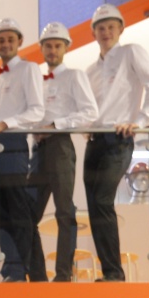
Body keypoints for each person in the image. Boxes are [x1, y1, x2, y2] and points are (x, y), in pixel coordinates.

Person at [82, 4, 149, 283]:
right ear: (93, 33)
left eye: (111, 27)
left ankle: (115, 274)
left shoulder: (131, 52)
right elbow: (89, 107)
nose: (106, 32)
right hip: (94, 141)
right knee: (94, 206)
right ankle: (110, 272)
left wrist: (140, 120)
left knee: (102, 200)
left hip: (119, 139)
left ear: (121, 29)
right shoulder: (90, 70)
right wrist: (86, 127)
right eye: (100, 28)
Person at [26, 21, 99, 283]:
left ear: (66, 48)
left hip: (60, 146)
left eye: (57, 45)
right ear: (41, 49)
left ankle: (63, 275)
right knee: (27, 216)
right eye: (48, 46)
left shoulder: (74, 75)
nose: (53, 50)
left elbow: (90, 112)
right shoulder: (36, 79)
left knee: (64, 211)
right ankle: (37, 276)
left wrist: (56, 125)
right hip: (37, 150)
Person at [0, 18, 45, 282]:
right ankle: (14, 270)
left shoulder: (29, 69)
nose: (5, 44)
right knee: (0, 214)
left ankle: (26, 271)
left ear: (20, 41)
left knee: (18, 211)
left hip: (14, 144)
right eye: (0, 40)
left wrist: (5, 123)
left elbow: (37, 111)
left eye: (10, 39)